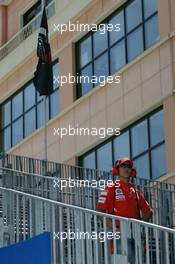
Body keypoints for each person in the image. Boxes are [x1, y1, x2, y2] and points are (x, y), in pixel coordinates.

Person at [96, 157, 153, 264]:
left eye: (129, 166)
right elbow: (100, 211)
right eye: (123, 166)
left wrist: (138, 224)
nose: (126, 169)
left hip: (136, 235)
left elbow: (149, 211)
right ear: (117, 169)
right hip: (119, 236)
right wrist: (115, 228)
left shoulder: (135, 191)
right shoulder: (110, 187)